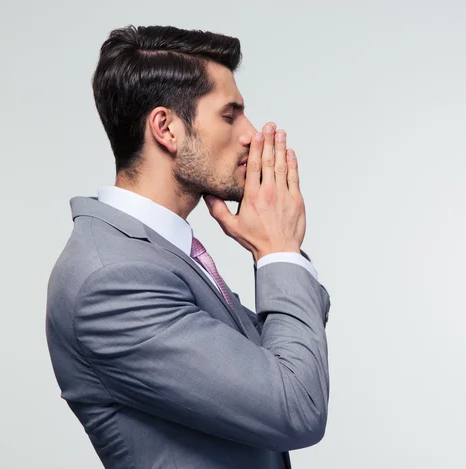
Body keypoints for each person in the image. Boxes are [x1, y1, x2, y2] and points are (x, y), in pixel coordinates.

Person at [45, 24, 331, 469]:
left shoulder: (162, 252)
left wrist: (280, 255)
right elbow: (296, 406)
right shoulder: (112, 279)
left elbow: (272, 355)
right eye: (230, 115)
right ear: (167, 128)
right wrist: (279, 253)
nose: (252, 135)